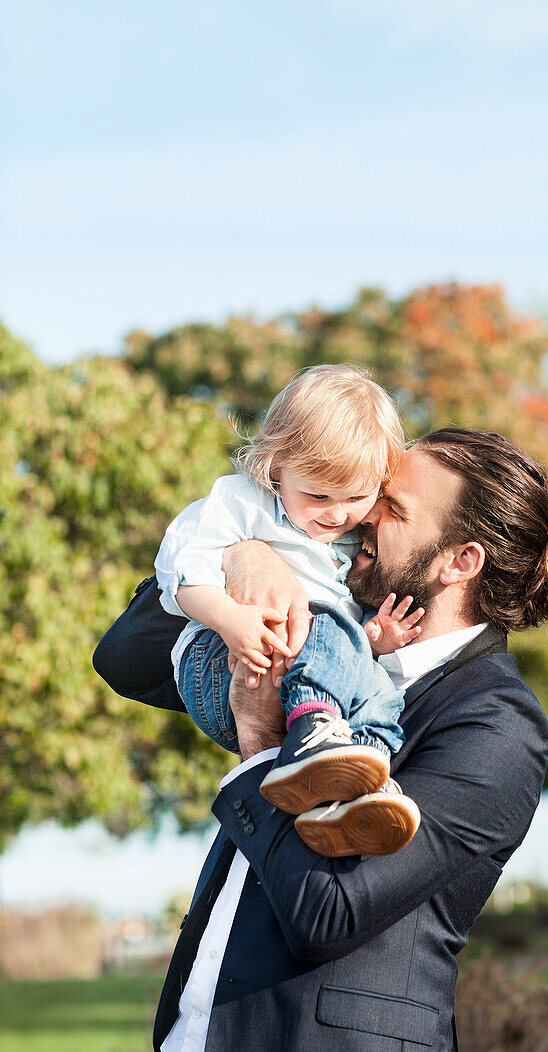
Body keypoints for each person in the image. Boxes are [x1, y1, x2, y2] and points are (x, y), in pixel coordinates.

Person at [93, 427, 548, 1051]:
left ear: (459, 562)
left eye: (394, 506)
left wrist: (260, 745)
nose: (361, 513)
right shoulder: (325, 628)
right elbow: (125, 659)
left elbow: (330, 912)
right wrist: (245, 554)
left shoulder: (495, 726)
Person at [155, 364, 424, 855]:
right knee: (325, 621)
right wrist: (228, 619)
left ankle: (355, 784)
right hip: (224, 662)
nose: (337, 513)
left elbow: (333, 643)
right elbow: (180, 573)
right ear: (276, 466)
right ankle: (317, 735)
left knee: (383, 691)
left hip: (301, 681)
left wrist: (371, 641)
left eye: (356, 497)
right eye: (318, 495)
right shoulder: (242, 503)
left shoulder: (358, 538)